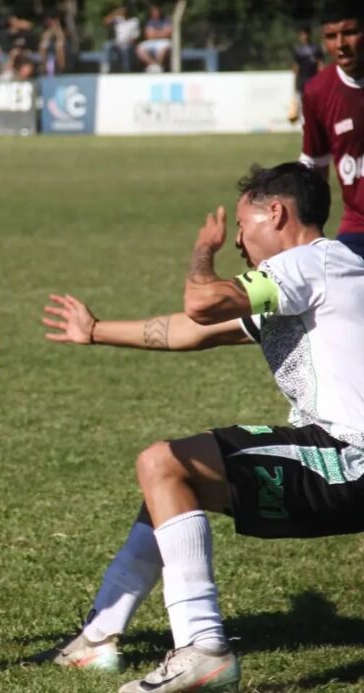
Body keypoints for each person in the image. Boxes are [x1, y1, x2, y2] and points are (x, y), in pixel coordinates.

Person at [34, 161, 364, 693]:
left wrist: (203, 251)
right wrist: (94, 331)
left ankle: (204, 650)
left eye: (242, 224)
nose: (238, 238)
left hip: (350, 458)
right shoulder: (305, 281)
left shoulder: (310, 264)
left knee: (162, 462)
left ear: (275, 212)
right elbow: (193, 330)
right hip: (338, 456)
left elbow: (202, 301)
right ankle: (99, 637)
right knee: (169, 483)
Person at [299, 1, 364, 251]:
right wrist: (309, 235)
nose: (340, 45)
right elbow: (315, 165)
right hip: (358, 227)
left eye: (349, 33)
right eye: (330, 37)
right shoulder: (317, 92)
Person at [288, 25, 325, 122]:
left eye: (305, 34)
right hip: (302, 82)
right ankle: (305, 127)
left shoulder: (316, 49)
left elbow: (320, 66)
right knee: (304, 106)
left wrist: (322, 80)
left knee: (316, 105)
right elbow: (295, 68)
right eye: (301, 34)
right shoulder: (298, 51)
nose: (304, 36)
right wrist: (295, 85)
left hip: (314, 81)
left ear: (309, 35)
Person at [103, 4, 140, 73]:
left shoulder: (134, 21)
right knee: (107, 45)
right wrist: (116, 12)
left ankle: (126, 70)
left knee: (126, 48)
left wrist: (129, 41)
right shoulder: (117, 19)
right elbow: (106, 21)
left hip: (128, 43)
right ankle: (107, 66)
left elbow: (135, 37)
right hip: (117, 42)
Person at [136, 4, 173, 73]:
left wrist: (155, 33)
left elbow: (168, 33)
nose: (156, 12)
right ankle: (155, 65)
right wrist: (161, 32)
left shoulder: (166, 20)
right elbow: (149, 35)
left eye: (157, 11)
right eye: (154, 11)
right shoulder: (149, 21)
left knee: (163, 48)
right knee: (140, 48)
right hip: (151, 41)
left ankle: (158, 66)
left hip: (164, 41)